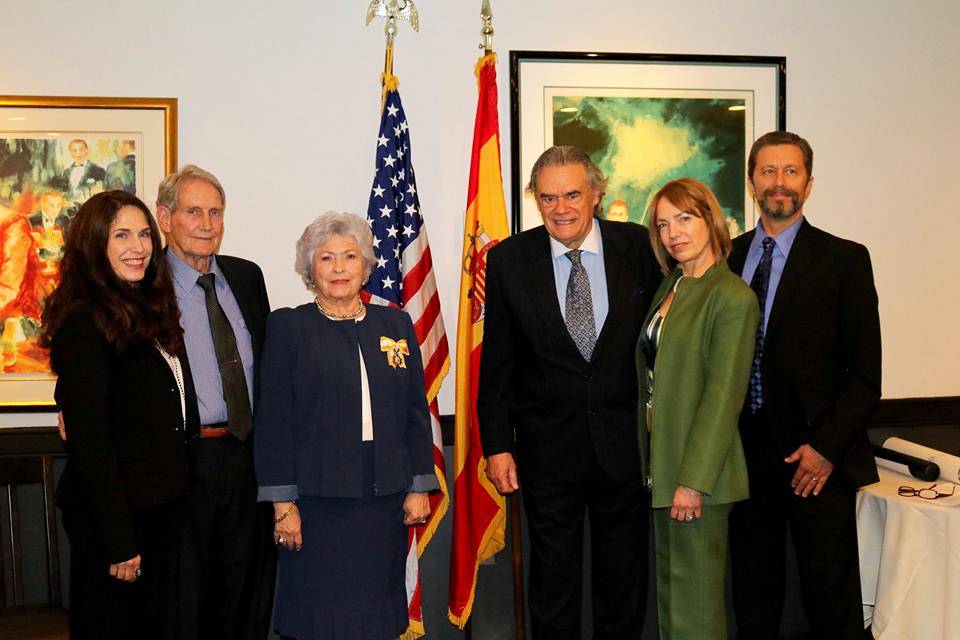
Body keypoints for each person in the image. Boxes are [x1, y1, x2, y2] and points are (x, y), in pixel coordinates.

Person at [478, 145, 661, 639]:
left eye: (572, 195)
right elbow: (497, 362)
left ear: (596, 194)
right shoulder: (509, 260)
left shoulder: (639, 247)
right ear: (535, 199)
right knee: (552, 584)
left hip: (626, 448)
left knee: (623, 582)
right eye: (548, 197)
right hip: (547, 451)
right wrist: (497, 445)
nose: (560, 208)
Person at [254, 211, 437, 639]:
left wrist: (418, 486)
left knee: (376, 615)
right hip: (316, 503)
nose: (339, 268)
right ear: (310, 269)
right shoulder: (288, 326)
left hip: (383, 500)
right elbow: (274, 420)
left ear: (366, 265)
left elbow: (414, 410)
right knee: (319, 618)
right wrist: (283, 505)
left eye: (350, 257)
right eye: (326, 258)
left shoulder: (395, 324)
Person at [727, 131, 881, 639]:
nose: (779, 182)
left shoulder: (844, 260)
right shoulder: (727, 258)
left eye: (791, 171)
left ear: (808, 183)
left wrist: (825, 449)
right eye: (768, 171)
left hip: (815, 460)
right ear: (752, 182)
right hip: (744, 458)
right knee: (753, 598)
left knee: (830, 601)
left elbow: (865, 377)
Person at [41, 190, 188, 639]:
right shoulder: (85, 320)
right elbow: (91, 445)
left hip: (157, 509)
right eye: (122, 235)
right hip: (117, 522)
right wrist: (119, 539)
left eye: (144, 234)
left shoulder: (147, 307)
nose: (138, 246)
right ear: (94, 244)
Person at [155, 165, 275, 640]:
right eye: (193, 212)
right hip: (182, 466)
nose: (206, 224)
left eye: (215, 212)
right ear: (165, 218)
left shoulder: (246, 277)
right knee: (184, 605)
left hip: (248, 459)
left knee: (246, 598)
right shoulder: (143, 285)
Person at [637, 178, 758, 639]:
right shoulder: (672, 285)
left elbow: (723, 398)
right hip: (663, 467)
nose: (673, 233)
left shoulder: (731, 295)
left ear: (710, 219)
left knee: (697, 610)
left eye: (684, 218)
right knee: (673, 604)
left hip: (699, 479)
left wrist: (693, 481)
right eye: (663, 224)